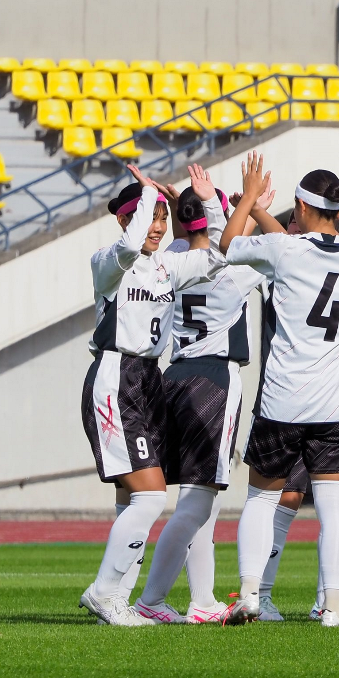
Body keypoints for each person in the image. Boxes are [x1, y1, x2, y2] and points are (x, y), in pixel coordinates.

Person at [220, 154, 339, 627]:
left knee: (261, 501)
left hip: (283, 398)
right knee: (334, 512)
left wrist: (248, 198)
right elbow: (306, 243)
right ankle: (331, 609)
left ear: (302, 208)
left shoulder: (283, 251)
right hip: (334, 404)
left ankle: (248, 595)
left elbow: (229, 245)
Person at [78, 164, 227, 627]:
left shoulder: (166, 265)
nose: (159, 227)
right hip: (115, 374)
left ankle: (117, 599)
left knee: (131, 498)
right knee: (150, 497)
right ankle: (103, 593)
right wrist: (146, 194)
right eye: (150, 217)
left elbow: (216, 258)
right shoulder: (108, 261)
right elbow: (126, 246)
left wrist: (205, 206)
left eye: (164, 218)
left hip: (148, 378)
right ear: (127, 219)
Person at [132, 178, 272, 625]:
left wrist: (189, 206)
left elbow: (193, 234)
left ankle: (202, 599)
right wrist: (249, 206)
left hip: (173, 374)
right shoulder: (231, 266)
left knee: (198, 500)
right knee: (198, 499)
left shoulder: (171, 257)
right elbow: (248, 245)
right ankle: (152, 598)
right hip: (213, 378)